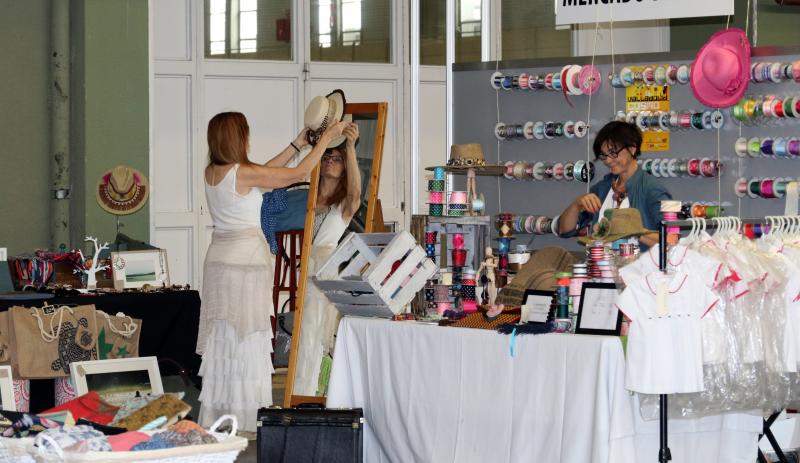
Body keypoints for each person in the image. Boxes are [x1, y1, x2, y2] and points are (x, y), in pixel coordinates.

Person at [197, 111, 347, 432]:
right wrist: (325, 139)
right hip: (245, 265)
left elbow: (265, 172)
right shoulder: (242, 173)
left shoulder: (214, 171)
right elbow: (297, 174)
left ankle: (222, 412)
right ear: (239, 138)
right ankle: (246, 415)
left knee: (226, 339)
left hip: (219, 262)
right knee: (248, 337)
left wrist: (297, 143)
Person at [293, 120, 362, 397]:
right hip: (303, 270)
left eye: (337, 159)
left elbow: (356, 193)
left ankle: (312, 391)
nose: (331, 161)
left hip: (324, 273)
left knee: (316, 332)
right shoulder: (307, 199)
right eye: (327, 157)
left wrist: (350, 148)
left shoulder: (342, 204)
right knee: (303, 333)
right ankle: (298, 390)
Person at [556, 121, 671, 248]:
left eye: (613, 153)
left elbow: (671, 240)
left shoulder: (652, 189)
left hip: (637, 266)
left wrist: (635, 232)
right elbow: (564, 230)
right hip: (601, 265)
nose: (608, 161)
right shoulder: (602, 189)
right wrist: (576, 205)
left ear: (632, 149)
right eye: (604, 155)